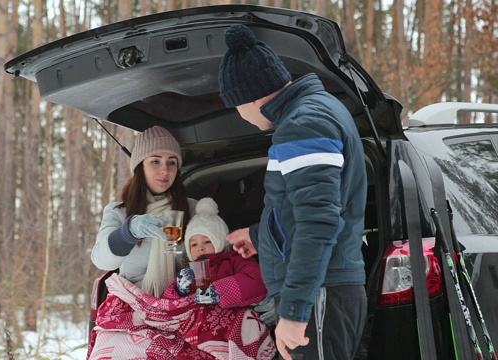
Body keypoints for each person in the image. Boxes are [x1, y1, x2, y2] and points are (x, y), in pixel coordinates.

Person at [218, 24, 368, 360]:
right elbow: (305, 209)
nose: (239, 115)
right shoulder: (313, 113)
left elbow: (319, 222)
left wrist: (296, 311)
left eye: (235, 106)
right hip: (325, 292)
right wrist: (261, 235)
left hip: (321, 294)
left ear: (251, 96)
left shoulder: (303, 125)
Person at [87, 197, 276, 359]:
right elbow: (174, 307)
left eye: (207, 241)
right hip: (195, 323)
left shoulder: (233, 259)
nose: (200, 247)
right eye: (193, 243)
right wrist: (179, 289)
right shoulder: (189, 268)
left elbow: (255, 281)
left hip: (226, 315)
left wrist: (218, 292)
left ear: (220, 240)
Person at [90, 125, 197, 297]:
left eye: (172, 162)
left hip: (181, 302)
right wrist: (129, 232)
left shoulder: (193, 209)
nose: (165, 170)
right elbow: (102, 260)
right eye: (155, 161)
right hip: (134, 304)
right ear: (140, 166)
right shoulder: (118, 212)